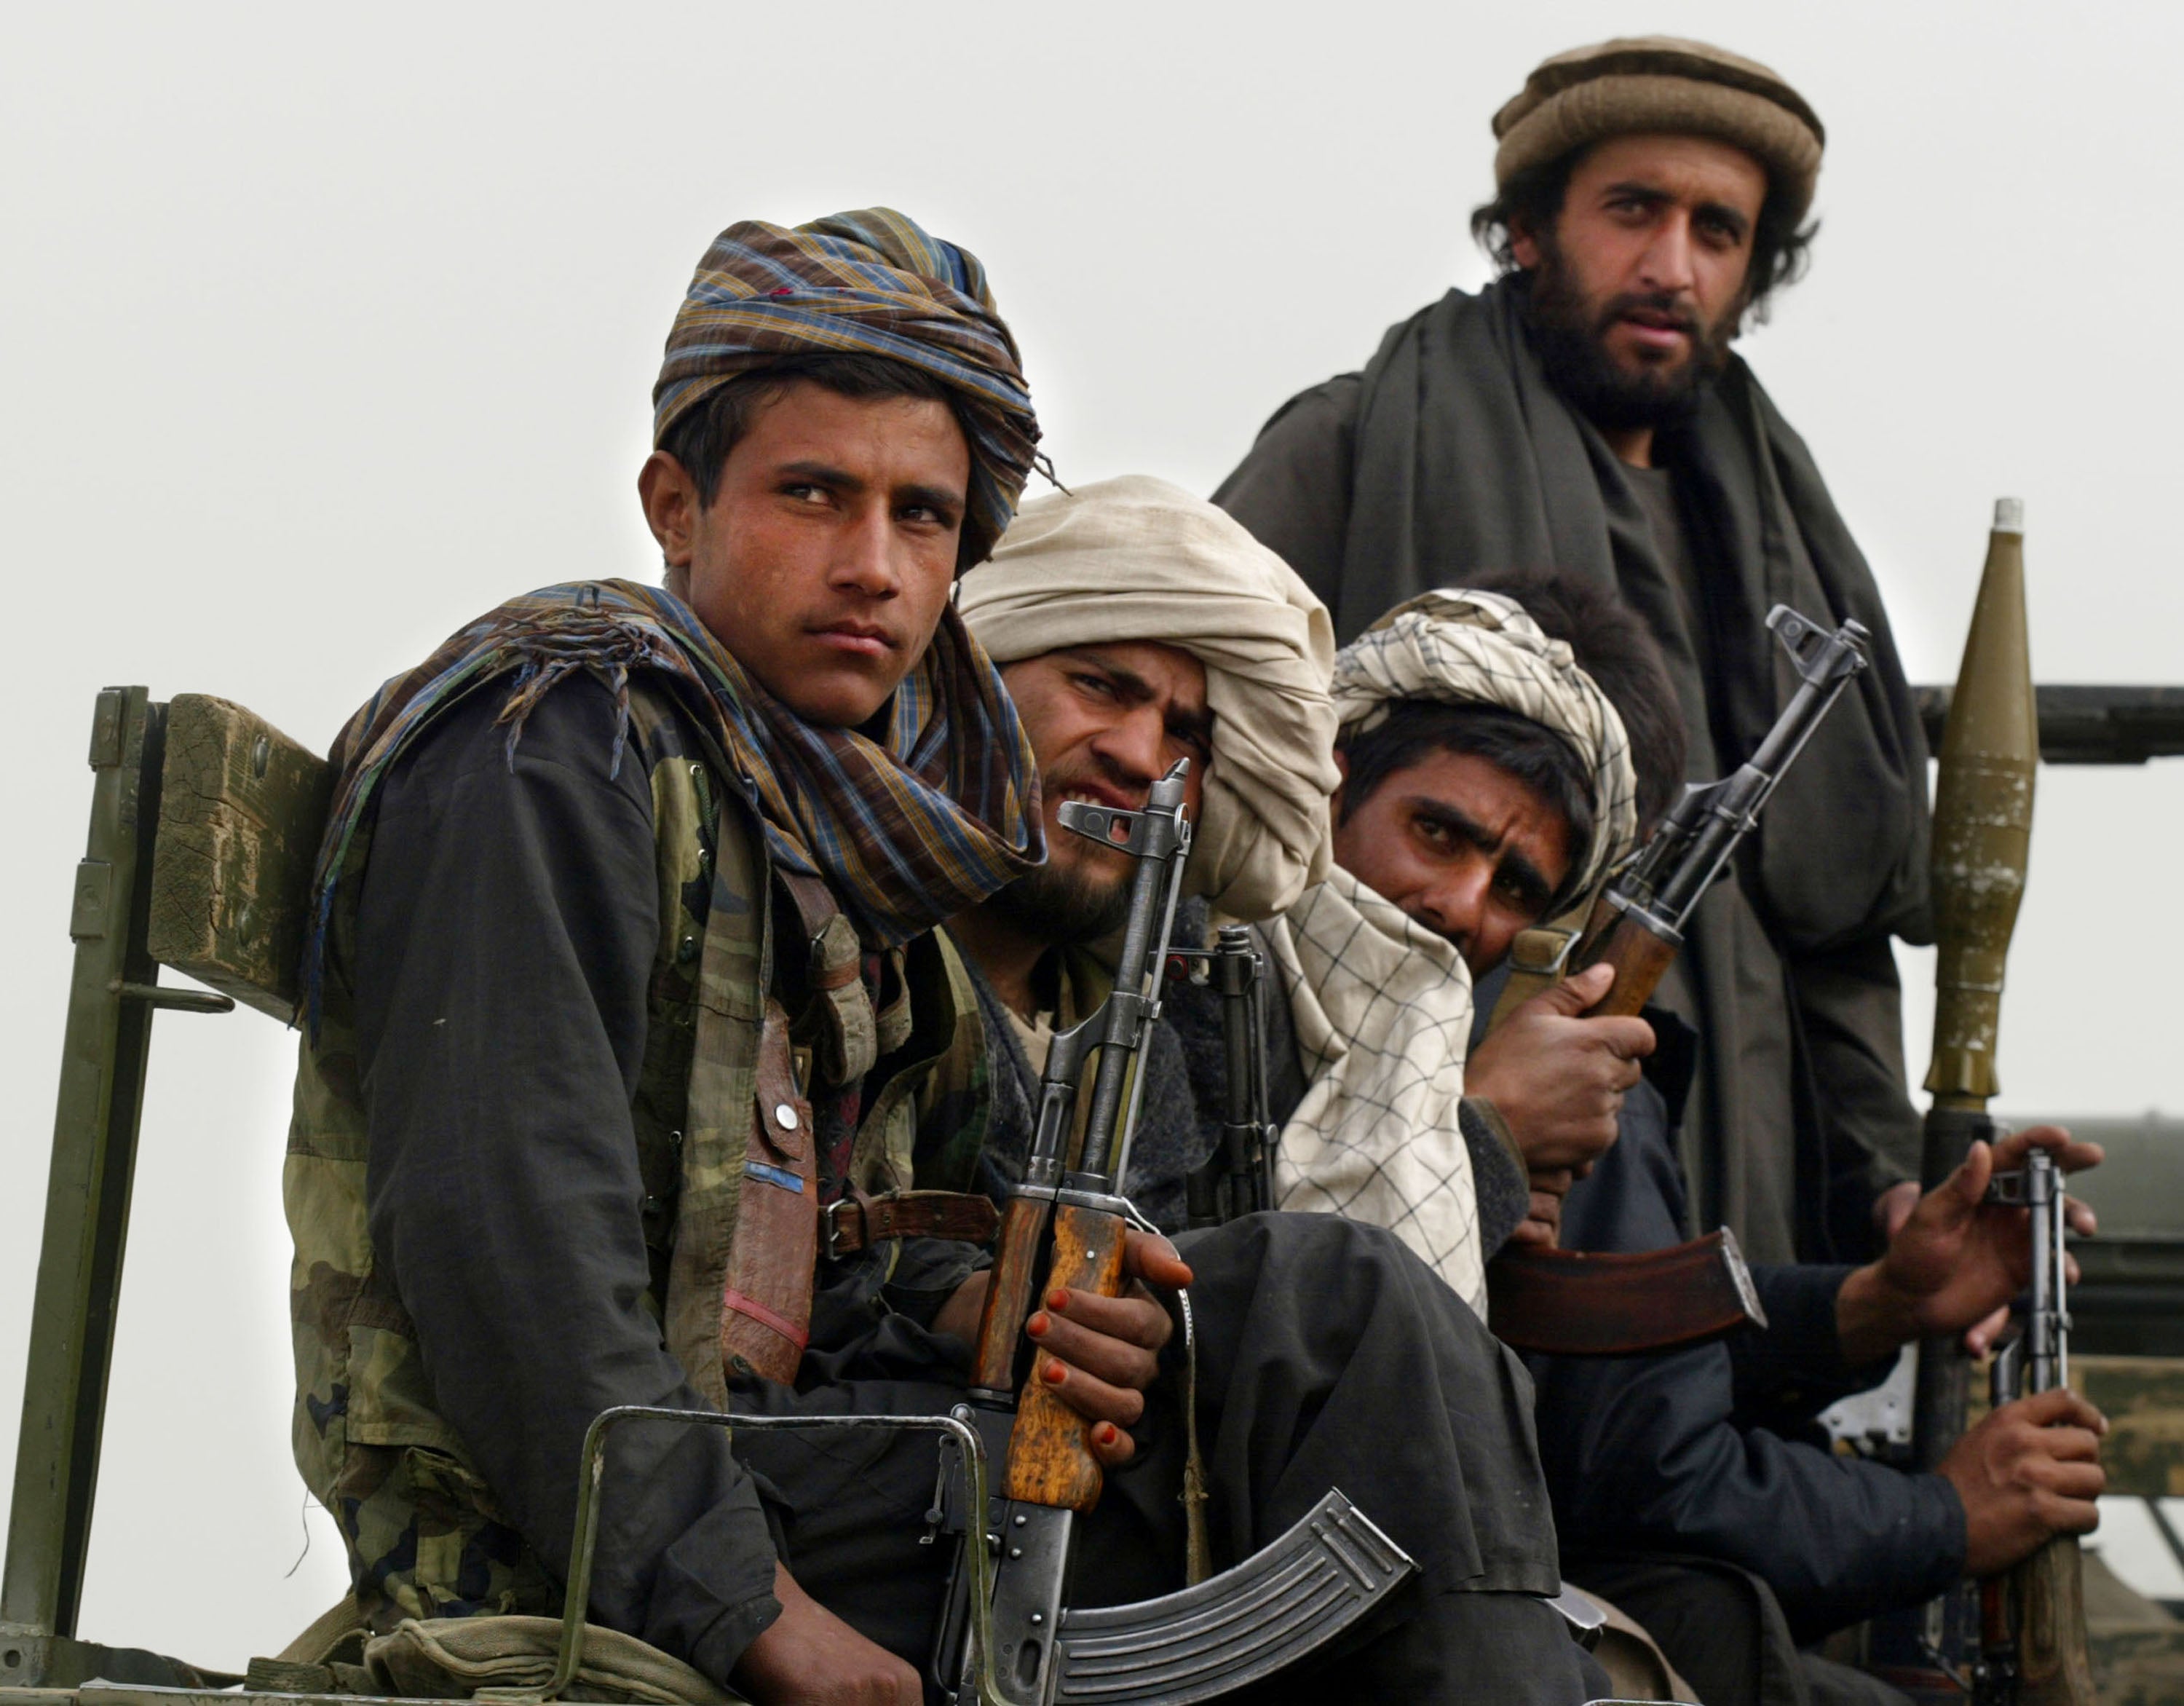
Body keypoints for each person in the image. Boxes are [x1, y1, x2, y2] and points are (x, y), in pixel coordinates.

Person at [284, 220, 1605, 1706]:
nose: (872, 566)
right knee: (1333, 1314)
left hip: (782, 1467)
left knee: (1311, 1362)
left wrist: (982, 1303)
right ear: (675, 502)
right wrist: (752, 1611)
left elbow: (831, 1255)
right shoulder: (557, 742)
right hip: (591, 1541)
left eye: (922, 518)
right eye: (812, 495)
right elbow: (509, 1236)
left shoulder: (826, 820)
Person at [1293, 592, 2104, 1706]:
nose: (1462, 906)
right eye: (1437, 831)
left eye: (1523, 883)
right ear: (1335, 782)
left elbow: (1594, 1330)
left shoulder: (1488, 1036)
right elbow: (1653, 1478)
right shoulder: (1270, 991)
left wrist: (1869, 1305)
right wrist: (1945, 1517)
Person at [1215, 35, 1931, 1268]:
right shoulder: (1361, 443)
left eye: (1718, 231)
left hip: (1739, 1186)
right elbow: (1197, 763)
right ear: (1531, 230)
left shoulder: (1787, 540)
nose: (1672, 266)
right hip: (1400, 1166)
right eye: (1633, 212)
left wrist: (1893, 1190)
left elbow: (1832, 925)